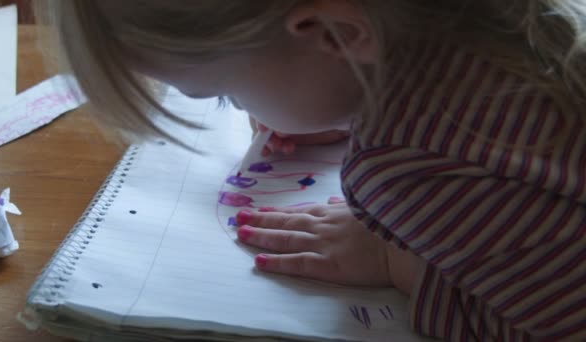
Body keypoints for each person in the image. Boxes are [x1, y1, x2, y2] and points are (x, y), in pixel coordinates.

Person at [38, 1, 586, 340]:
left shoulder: (399, 167)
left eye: (225, 92)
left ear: (336, 34)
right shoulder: (503, 24)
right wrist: (348, 101)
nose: (243, 112)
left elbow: (561, 325)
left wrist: (397, 263)